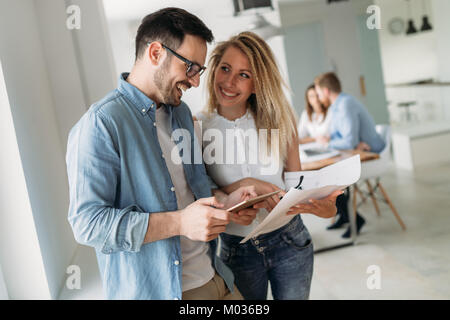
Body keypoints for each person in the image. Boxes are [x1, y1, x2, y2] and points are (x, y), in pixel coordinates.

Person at [66, 8, 260, 300]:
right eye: (190, 67)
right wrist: (180, 223)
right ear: (156, 53)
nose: (195, 81)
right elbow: (87, 224)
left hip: (217, 277)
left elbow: (192, 190)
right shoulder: (101, 124)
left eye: (199, 71)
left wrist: (226, 202)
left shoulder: (180, 113)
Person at [195, 32, 341, 300]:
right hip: (238, 248)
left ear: (257, 83)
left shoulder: (281, 120)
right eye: (225, 68)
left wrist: (322, 204)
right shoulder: (197, 127)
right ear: (214, 68)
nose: (229, 81)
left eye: (244, 75)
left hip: (290, 240)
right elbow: (203, 191)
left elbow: (295, 182)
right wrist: (233, 194)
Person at [314, 72, 385, 238]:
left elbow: (348, 142)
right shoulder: (336, 106)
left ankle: (354, 219)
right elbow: (340, 137)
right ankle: (345, 216)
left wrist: (327, 143)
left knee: (330, 177)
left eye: (318, 94)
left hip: (371, 156)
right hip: (357, 152)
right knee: (327, 176)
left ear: (325, 91)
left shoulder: (345, 104)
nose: (317, 98)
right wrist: (332, 139)